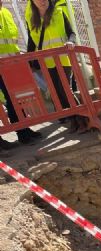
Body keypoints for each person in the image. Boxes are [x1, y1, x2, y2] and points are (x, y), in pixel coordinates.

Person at [25, 0, 84, 131]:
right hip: (47, 62)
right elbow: (31, 42)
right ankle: (73, 119)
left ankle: (82, 117)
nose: (42, 1)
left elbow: (71, 33)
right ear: (32, 2)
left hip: (62, 59)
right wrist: (29, 63)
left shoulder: (59, 13)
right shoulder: (31, 19)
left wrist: (70, 41)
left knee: (65, 89)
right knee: (56, 92)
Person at [0, 0, 41, 154]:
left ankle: (23, 131)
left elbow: (12, 41)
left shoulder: (6, 13)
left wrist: (17, 58)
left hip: (10, 65)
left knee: (16, 100)